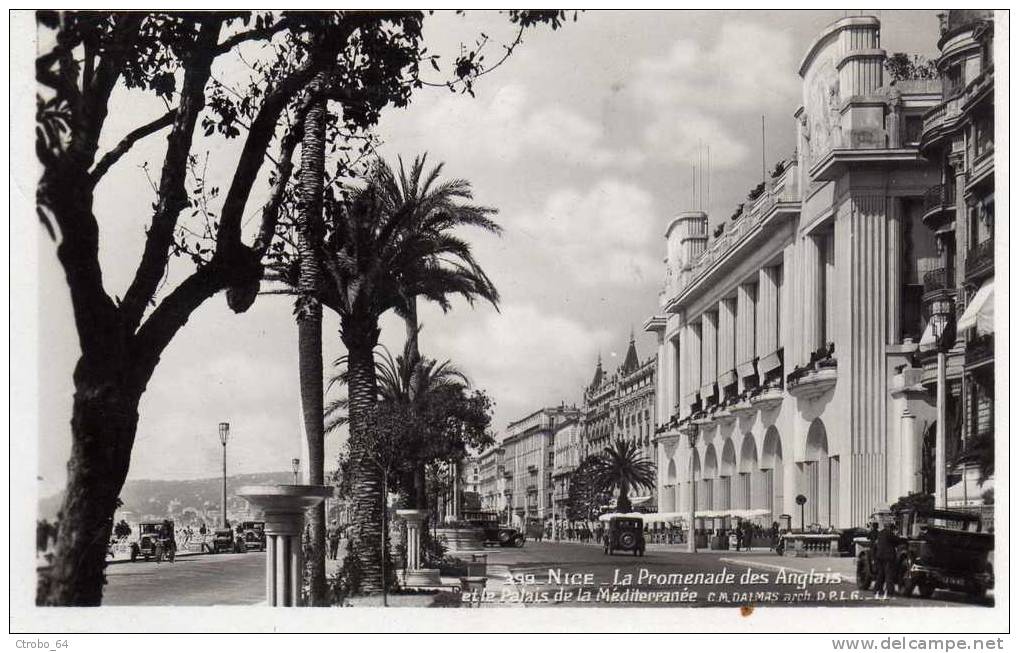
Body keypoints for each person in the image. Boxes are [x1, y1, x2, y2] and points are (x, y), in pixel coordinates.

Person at [873, 522, 902, 599]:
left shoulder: (880, 533)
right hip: (888, 557)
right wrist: (898, 536)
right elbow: (897, 541)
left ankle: (877, 589)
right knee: (889, 574)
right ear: (890, 528)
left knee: (881, 574)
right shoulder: (889, 533)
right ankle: (890, 591)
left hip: (879, 556)